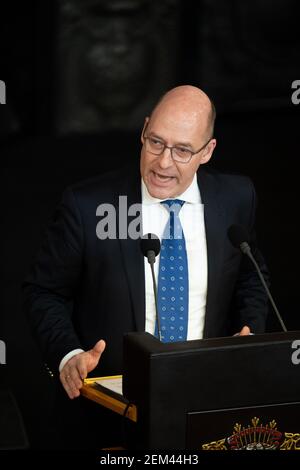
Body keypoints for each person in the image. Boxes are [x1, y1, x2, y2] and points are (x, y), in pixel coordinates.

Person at [23, 85, 269, 448]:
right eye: (155, 142)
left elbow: (251, 275)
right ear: (143, 130)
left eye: (183, 150)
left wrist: (249, 331)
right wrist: (69, 355)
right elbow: (43, 292)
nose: (163, 162)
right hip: (107, 412)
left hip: (205, 407)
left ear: (207, 151)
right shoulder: (88, 206)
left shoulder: (235, 198)